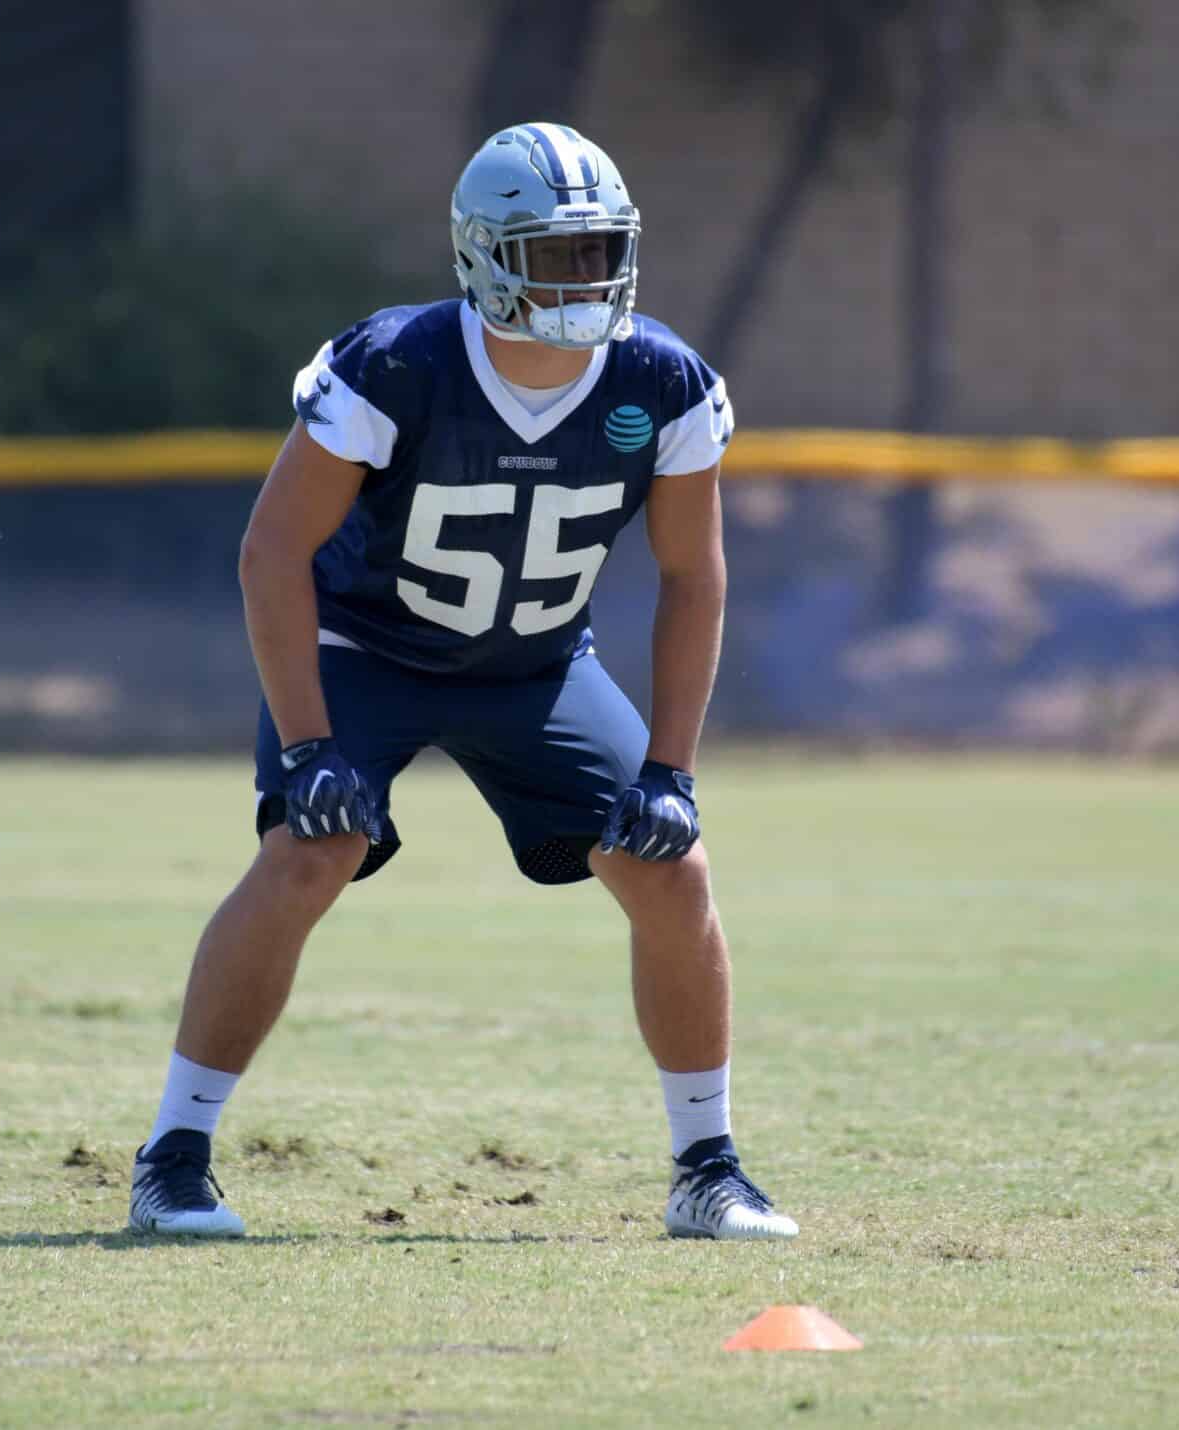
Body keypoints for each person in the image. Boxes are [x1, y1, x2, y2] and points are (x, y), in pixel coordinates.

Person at [128, 122, 797, 1242]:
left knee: (670, 865)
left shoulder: (661, 380)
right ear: (484, 256)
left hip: (535, 665)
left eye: (600, 250)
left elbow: (693, 577)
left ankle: (707, 1166)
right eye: (556, 253)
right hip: (367, 651)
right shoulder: (399, 363)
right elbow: (270, 553)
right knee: (310, 847)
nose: (587, 279)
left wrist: (673, 766)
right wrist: (306, 746)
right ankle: (172, 1156)